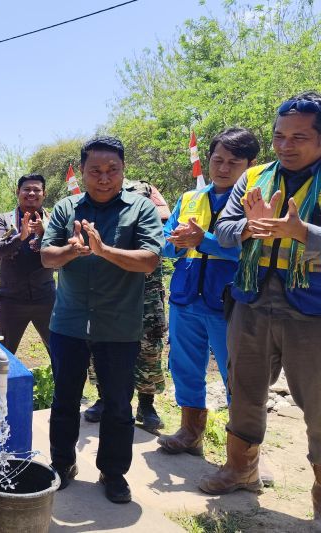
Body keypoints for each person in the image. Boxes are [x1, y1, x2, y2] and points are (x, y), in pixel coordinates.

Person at [200, 92, 321, 525]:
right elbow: (224, 230)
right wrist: (248, 226)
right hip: (251, 301)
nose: (286, 146)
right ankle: (241, 468)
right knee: (245, 389)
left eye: (299, 137)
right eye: (279, 136)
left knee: (319, 404)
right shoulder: (254, 178)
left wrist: (300, 230)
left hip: (312, 310)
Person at [41, 136, 164, 504]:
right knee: (64, 400)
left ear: (123, 171)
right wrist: (70, 250)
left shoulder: (140, 208)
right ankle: (62, 465)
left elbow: (149, 261)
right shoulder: (66, 208)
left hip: (119, 325)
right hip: (69, 323)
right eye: (95, 171)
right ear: (83, 172)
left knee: (117, 404)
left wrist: (103, 251)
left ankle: (113, 473)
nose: (104, 178)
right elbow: (47, 257)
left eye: (112, 170)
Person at [157, 127, 259, 456]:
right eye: (217, 159)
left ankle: (244, 455)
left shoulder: (254, 203)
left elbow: (255, 252)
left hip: (230, 302)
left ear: (251, 165)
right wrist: (172, 243)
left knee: (238, 377)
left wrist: (204, 240)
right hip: (186, 298)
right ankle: (190, 432)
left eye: (233, 162)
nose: (223, 168)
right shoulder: (190, 198)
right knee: (185, 366)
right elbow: (165, 243)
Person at [84, 179, 171, 433]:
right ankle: (103, 398)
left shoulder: (151, 214)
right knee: (101, 347)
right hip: (109, 297)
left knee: (149, 349)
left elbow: (159, 237)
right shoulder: (107, 219)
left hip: (147, 296)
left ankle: (147, 404)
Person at [0, 173, 55, 354]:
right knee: (3, 355)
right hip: (11, 300)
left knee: (59, 353)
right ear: (18, 191)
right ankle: (2, 384)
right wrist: (20, 237)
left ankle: (60, 383)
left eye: (36, 189)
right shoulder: (4, 220)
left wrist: (44, 235)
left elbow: (61, 254)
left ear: (44, 193)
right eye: (27, 189)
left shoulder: (53, 220)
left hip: (46, 300)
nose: (31, 193)